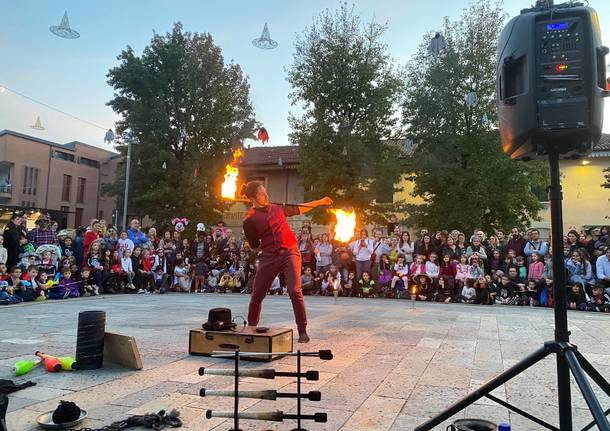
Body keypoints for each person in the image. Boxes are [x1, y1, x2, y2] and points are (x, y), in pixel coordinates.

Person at [241, 181, 332, 343]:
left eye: (265, 192)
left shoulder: (278, 208)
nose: (267, 195)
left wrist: (319, 202)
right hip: (269, 256)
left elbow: (300, 208)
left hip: (290, 252)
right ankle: (251, 328)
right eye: (262, 193)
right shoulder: (249, 220)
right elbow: (255, 246)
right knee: (257, 294)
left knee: (294, 290)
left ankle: (302, 330)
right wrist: (269, 245)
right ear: (254, 198)